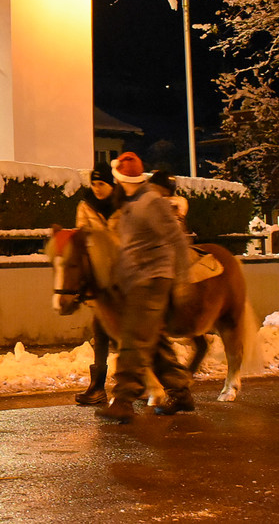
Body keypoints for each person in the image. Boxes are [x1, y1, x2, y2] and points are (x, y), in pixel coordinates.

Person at [97, 152, 194, 424]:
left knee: (133, 337)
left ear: (119, 178)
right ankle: (180, 391)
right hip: (137, 280)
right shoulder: (132, 202)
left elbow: (177, 240)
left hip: (151, 279)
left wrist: (182, 280)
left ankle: (123, 400)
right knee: (154, 339)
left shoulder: (150, 201)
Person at [73, 164, 123, 405]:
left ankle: (135, 383)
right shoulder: (86, 206)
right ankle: (97, 387)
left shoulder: (123, 205)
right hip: (100, 277)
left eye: (101, 184)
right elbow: (83, 238)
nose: (97, 189)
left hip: (123, 276)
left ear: (111, 185)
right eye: (94, 184)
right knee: (100, 330)